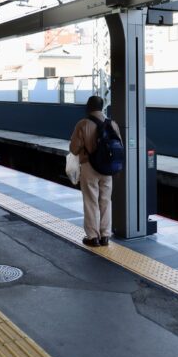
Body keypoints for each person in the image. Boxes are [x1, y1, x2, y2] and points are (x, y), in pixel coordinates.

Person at [69, 95, 122, 247]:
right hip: (108, 168)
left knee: (91, 201)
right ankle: (105, 236)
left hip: (89, 167)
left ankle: (93, 237)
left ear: (88, 107)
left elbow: (74, 148)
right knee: (106, 201)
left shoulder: (83, 124)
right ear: (101, 107)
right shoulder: (112, 124)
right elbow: (119, 145)